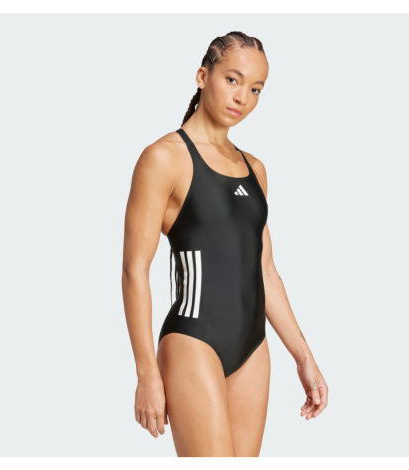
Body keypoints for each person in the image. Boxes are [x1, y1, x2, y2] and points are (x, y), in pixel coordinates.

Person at [122, 31, 328, 457]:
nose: (243, 98)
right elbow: (134, 270)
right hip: (193, 339)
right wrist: (146, 373)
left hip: (252, 346)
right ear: (203, 76)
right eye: (233, 79)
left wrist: (303, 356)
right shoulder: (164, 158)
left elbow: (265, 270)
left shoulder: (255, 169)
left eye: (256, 89)